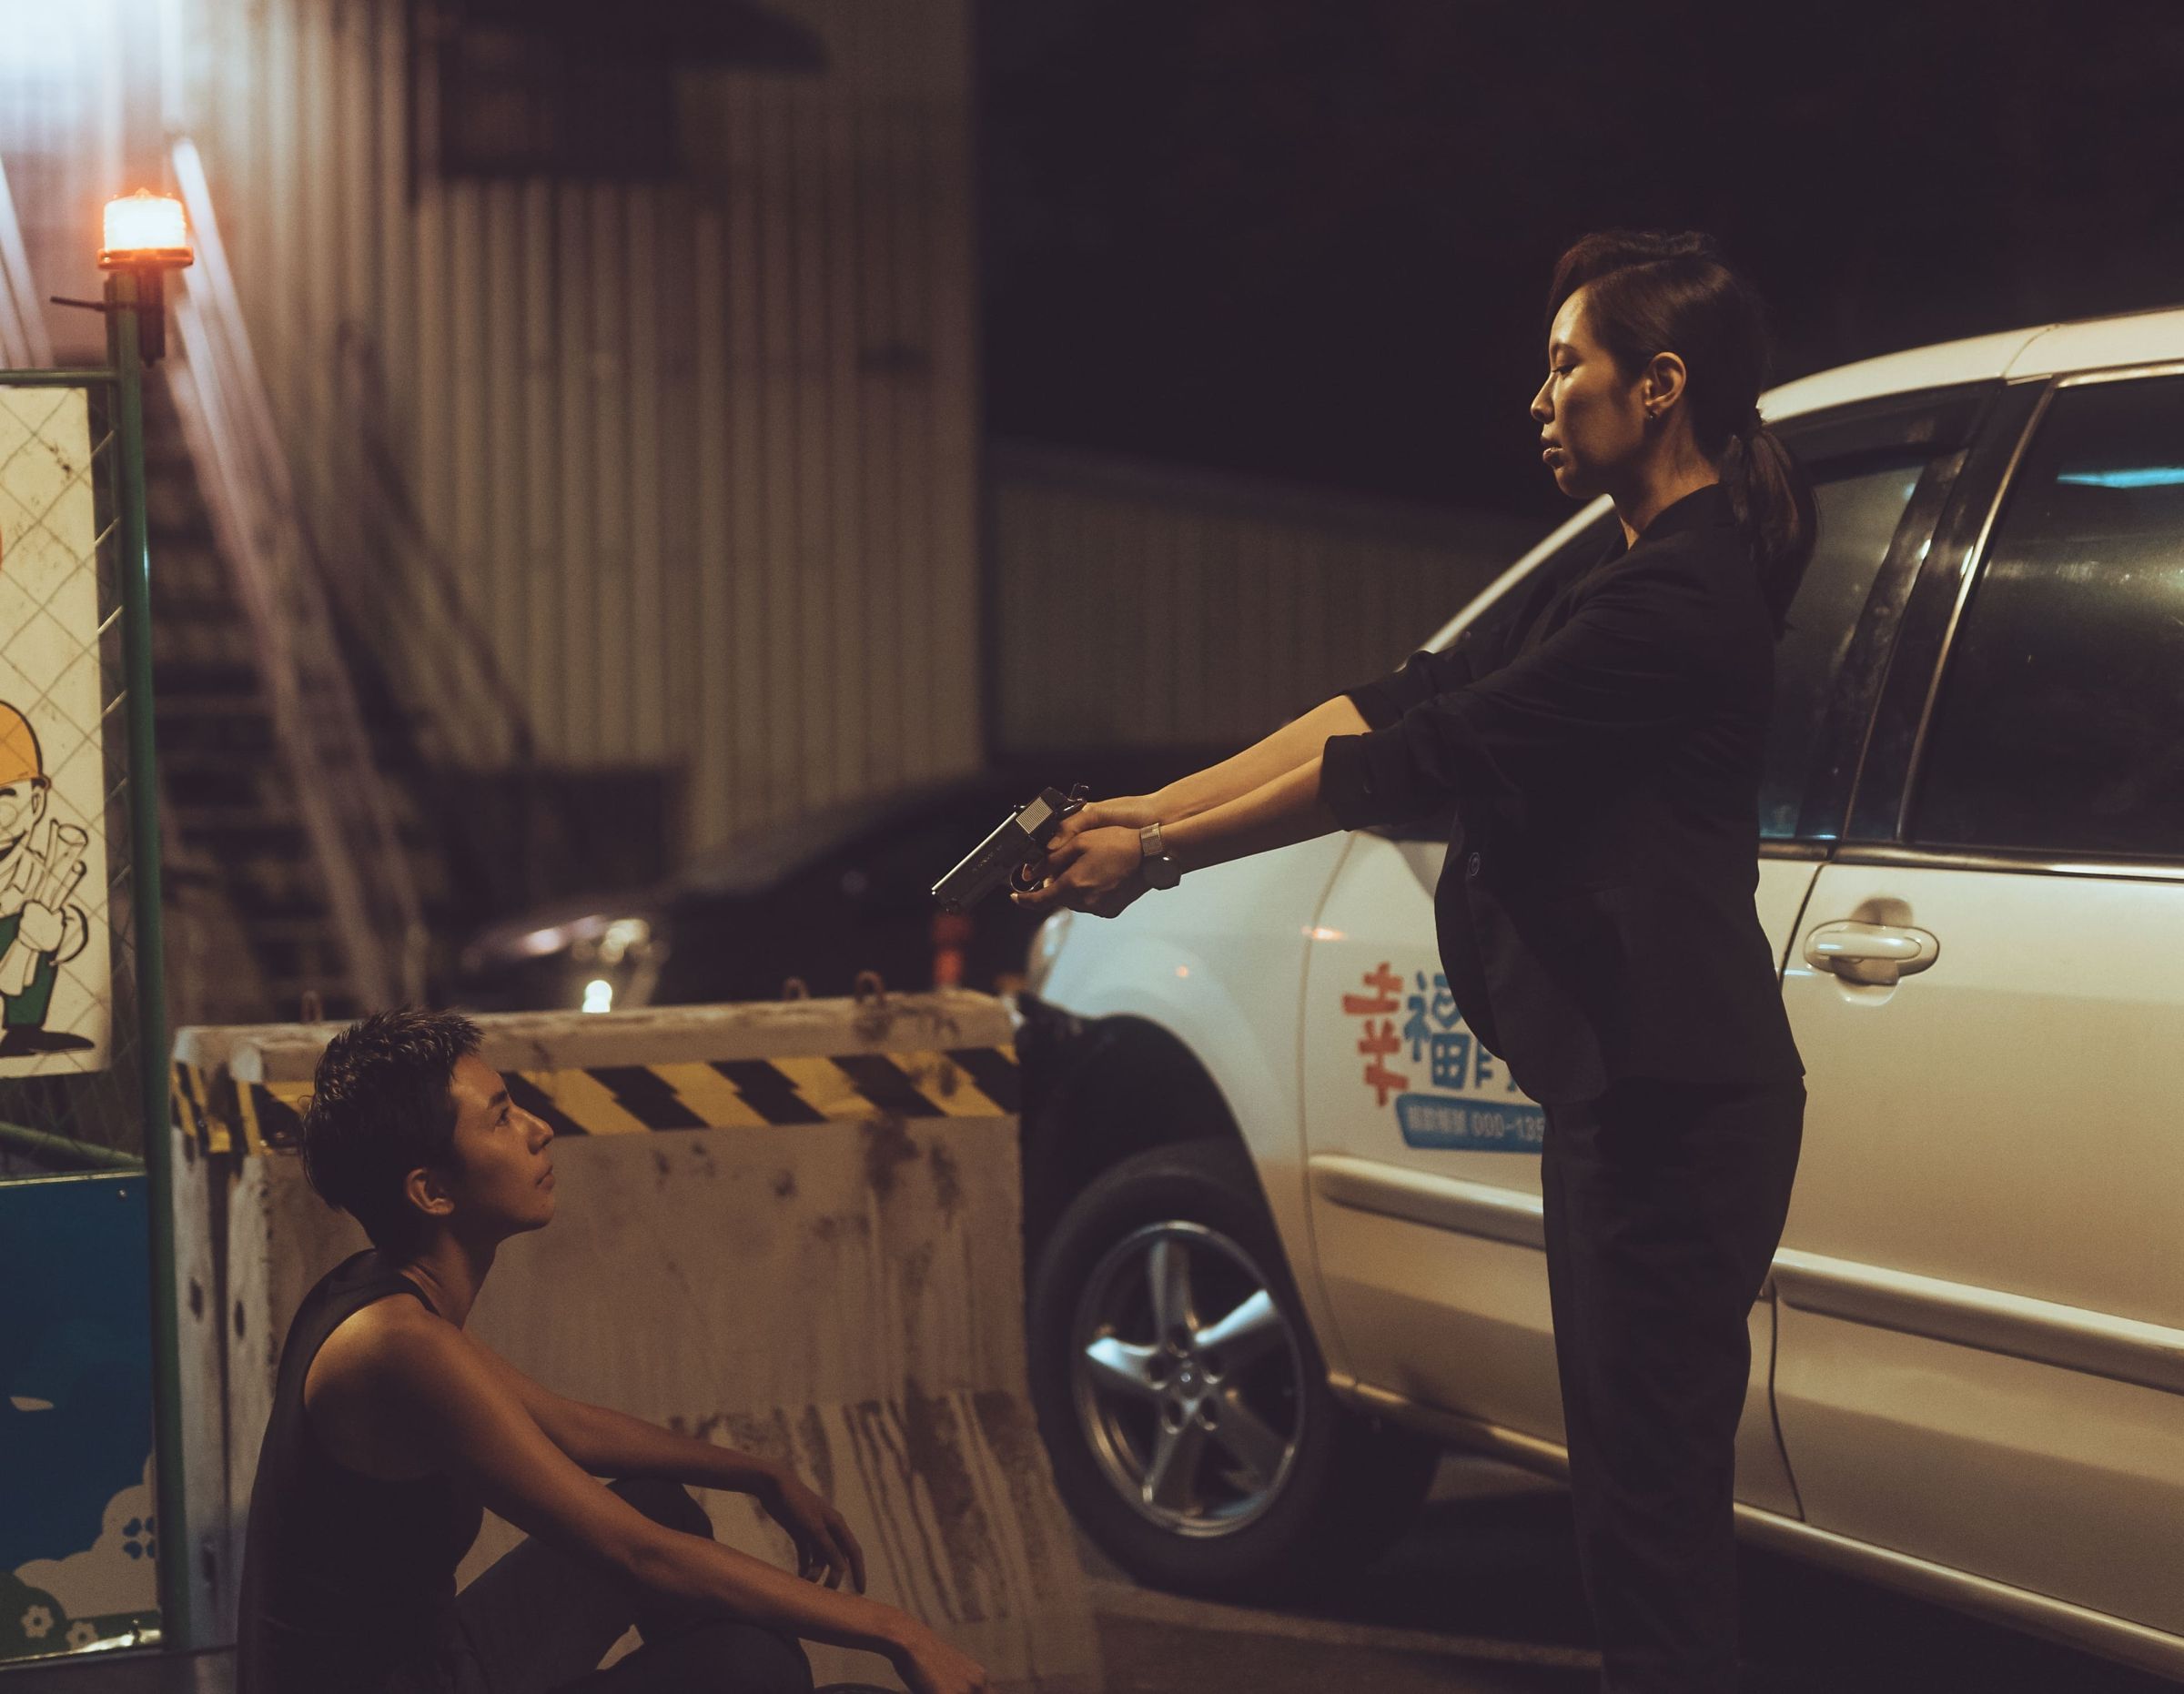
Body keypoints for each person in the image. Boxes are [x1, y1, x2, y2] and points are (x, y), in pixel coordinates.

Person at [1015, 228, 1815, 1693]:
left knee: (1650, 1517)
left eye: (1567, 365)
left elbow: (1417, 758)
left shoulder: (1676, 602)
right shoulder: (1619, 575)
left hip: (1676, 1103)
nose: (1541, 396)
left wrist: (1164, 856)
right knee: (1633, 1502)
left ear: (1659, 386)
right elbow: (1388, 702)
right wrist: (1144, 810)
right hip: (1636, 1089)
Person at [236, 1007, 988, 1694]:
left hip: (438, 1660)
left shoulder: (379, 1290)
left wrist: (761, 1473)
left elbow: (565, 1427)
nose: (538, 1130)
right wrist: (899, 1630)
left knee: (668, 1516)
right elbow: (637, 1556)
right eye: (500, 1120)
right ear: (431, 1192)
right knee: (757, 1666)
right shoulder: (396, 1347)